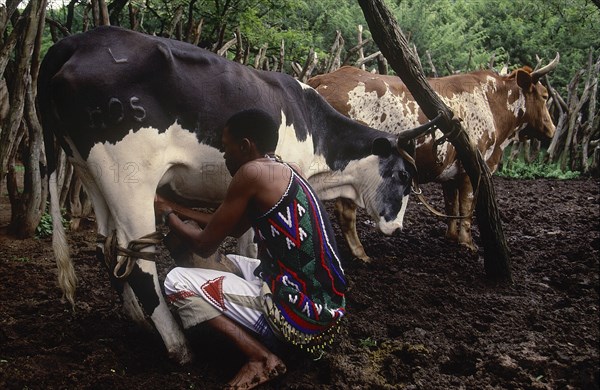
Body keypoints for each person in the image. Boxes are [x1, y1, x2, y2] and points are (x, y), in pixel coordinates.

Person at [154, 108, 347, 389]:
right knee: (231, 260)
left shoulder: (251, 173)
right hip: (322, 305)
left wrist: (166, 216)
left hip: (299, 317)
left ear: (245, 146)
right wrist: (177, 209)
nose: (224, 156)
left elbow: (206, 245)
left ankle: (261, 358)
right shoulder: (284, 169)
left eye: (226, 148)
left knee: (176, 281)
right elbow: (231, 228)